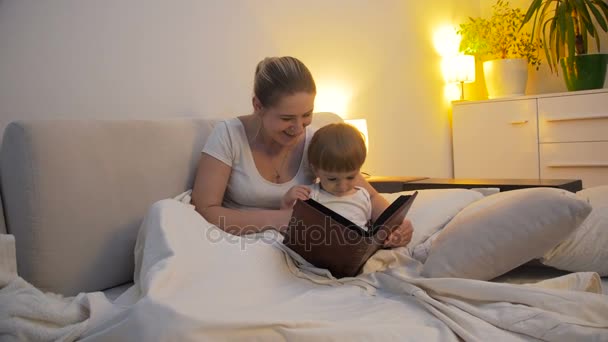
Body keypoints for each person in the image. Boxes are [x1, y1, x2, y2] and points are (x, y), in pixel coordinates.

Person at [190, 56, 413, 247]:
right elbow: (205, 210)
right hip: (239, 242)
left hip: (301, 245)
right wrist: (281, 220)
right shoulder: (228, 135)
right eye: (287, 118)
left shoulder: (315, 141)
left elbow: (369, 194)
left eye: (307, 115)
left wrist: (393, 224)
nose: (298, 129)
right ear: (258, 106)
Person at [281, 123, 373, 231]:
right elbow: (289, 223)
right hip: (321, 243)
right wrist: (287, 201)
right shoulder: (310, 195)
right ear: (316, 170)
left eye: (350, 177)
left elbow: (368, 224)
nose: (342, 186)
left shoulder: (363, 195)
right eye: (332, 179)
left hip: (355, 245)